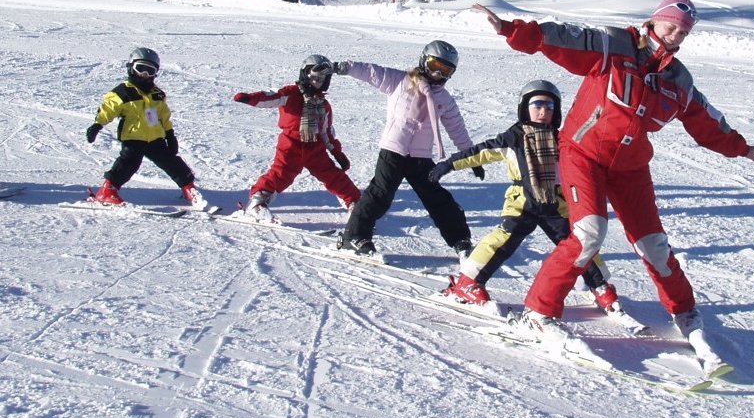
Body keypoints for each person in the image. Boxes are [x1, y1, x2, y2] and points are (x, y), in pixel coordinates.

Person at [472, 0, 754, 370]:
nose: (675, 35)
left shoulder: (677, 78)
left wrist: (737, 146)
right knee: (589, 233)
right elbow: (564, 37)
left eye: (683, 31)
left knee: (654, 246)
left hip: (629, 166)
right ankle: (538, 312)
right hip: (584, 152)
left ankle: (686, 313)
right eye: (670, 25)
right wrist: (513, 30)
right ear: (654, 20)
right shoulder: (616, 45)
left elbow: (704, 117)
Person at [428, 79, 624, 316]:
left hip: (556, 204)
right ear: (525, 108)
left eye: (550, 107)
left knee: (579, 242)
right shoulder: (513, 138)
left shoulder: (562, 139)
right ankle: (466, 283)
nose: (543, 112)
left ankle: (600, 286)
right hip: (523, 203)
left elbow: (588, 155)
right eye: (537, 105)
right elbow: (480, 152)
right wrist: (448, 164)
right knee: (500, 242)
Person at [330, 40, 480, 257]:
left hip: (421, 157)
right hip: (393, 150)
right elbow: (372, 72)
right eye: (434, 66)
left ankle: (461, 241)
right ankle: (354, 237)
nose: (438, 74)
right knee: (379, 194)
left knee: (437, 198)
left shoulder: (444, 100)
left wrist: (472, 158)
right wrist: (345, 67)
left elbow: (457, 129)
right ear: (423, 60)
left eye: (445, 70)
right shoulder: (400, 81)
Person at [233, 55, 360, 221]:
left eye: (322, 79)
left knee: (332, 175)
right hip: (290, 145)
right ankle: (257, 203)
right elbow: (270, 98)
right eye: (314, 77)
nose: (317, 82)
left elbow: (326, 133)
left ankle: (355, 203)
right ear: (305, 75)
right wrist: (251, 99)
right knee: (281, 174)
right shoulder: (290, 94)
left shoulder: (323, 105)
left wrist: (337, 153)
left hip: (315, 148)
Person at [86, 47, 207, 208]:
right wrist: (97, 124)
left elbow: (163, 115)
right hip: (133, 137)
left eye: (150, 70)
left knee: (172, 162)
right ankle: (107, 191)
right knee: (128, 164)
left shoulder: (157, 94)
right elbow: (108, 108)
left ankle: (188, 188)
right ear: (131, 68)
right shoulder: (123, 92)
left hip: (155, 137)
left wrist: (170, 134)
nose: (145, 74)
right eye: (141, 69)